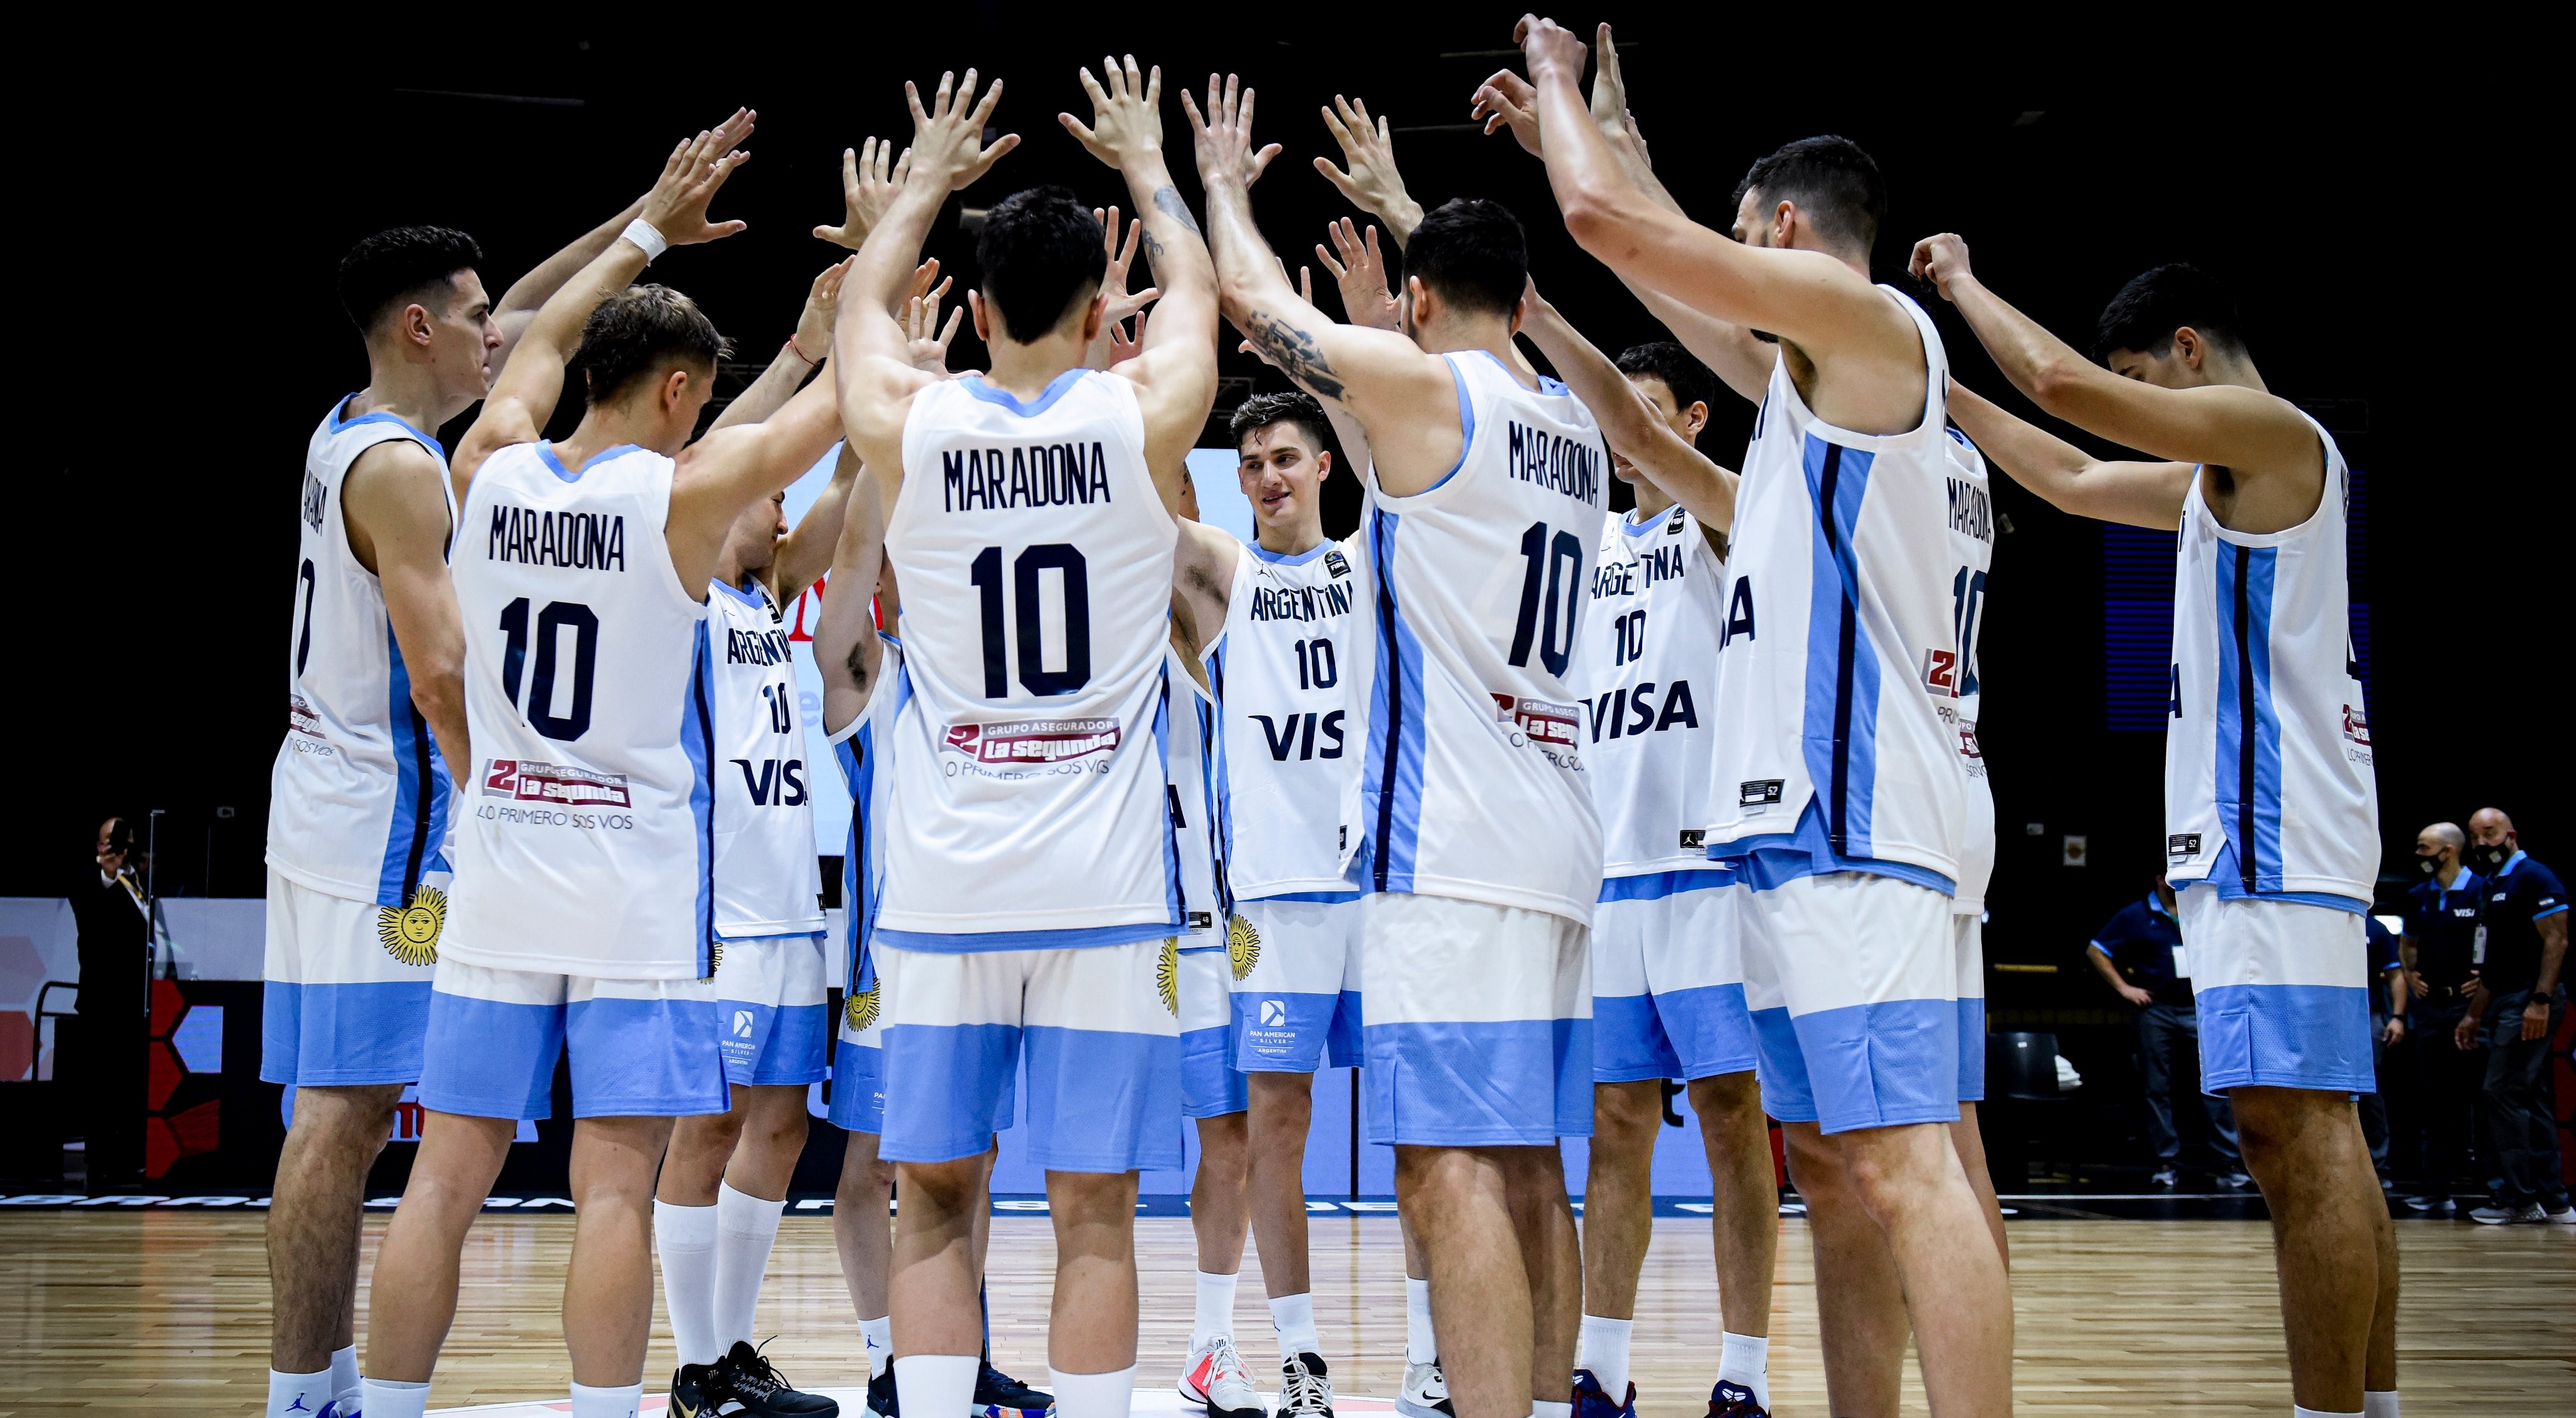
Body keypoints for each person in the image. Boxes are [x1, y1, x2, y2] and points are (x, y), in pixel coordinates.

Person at [1512, 18, 2012, 1414]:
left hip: (1860, 815)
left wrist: (1558, 92)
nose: (1726, 275)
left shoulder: (1869, 331)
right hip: (1817, 819)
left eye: (1741, 242)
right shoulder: (1817, 388)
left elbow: (1610, 230)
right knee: (1851, 1174)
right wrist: (1640, 160)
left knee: (1913, 1166)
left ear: (1786, 231)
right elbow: (1690, 309)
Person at [263, 111, 756, 1418]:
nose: (498, 324)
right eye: (470, 311)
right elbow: (436, 679)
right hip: (411, 815)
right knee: (363, 1123)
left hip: (329, 796)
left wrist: (648, 223)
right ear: (422, 328)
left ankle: (334, 1384)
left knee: (394, 1144)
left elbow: (538, 322)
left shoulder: (400, 440)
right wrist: (510, 791)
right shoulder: (420, 477)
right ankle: (307, 1390)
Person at [360, 125, 849, 1418]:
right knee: (617, 1179)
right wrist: (877, 280)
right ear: (684, 394)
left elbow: (528, 353)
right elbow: (849, 412)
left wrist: (644, 228)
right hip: (631, 887)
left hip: (506, 857)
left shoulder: (490, 458)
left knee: (445, 1176)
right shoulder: (681, 502)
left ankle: (389, 1409)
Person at [1912, 235, 2395, 1412]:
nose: (2138, 409)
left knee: (2295, 1137)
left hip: (2272, 826)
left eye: (2145, 381)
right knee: (2308, 1132)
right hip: (2266, 834)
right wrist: (1931, 388)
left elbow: (2067, 393)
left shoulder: (2273, 437)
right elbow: (2067, 476)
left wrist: (1960, 286)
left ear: (2185, 352)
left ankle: (2328, 1409)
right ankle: (2365, 1404)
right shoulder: (2213, 484)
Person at [1193, 61, 1608, 1418]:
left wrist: (1211, 181)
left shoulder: (1444, 400)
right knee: (1532, 1163)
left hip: (1455, 843)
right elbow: (1426, 474)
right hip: (1556, 836)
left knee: (1445, 1169)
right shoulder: (1568, 428)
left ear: (1420, 306)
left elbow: (1259, 308)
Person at [830, 59, 1219, 1418]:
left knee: (933, 1194)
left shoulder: (909, 421)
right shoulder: (1139, 412)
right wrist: (1155, 171)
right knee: (1096, 1208)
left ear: (979, 308)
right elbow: (1205, 305)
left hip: (944, 886)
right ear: (1103, 307)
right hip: (1102, 894)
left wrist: (924, 183)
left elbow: (863, 315)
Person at [651, 260, 862, 1418]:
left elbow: (834, 503)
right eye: (761, 488)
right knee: (713, 1120)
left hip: (795, 906)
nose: (779, 507)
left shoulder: (768, 601)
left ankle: (729, 1349)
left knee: (779, 1122)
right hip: (718, 909)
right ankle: (692, 1365)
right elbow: (727, 457)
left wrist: (872, 379)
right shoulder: (678, 587)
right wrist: (804, 351)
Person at [1165, 389, 1364, 1418]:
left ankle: (1428, 1355)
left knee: (1423, 1135)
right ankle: (1300, 1356)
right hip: (1275, 898)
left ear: (1324, 465)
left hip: (1380, 886)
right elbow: (1144, 515)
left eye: (1284, 456)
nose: (1265, 476)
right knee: (1272, 1124)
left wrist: (1332, 367)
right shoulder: (1228, 580)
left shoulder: (1371, 563)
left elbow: (1401, 449)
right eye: (1247, 463)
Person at [2085, 879, 2246, 1187]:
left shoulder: (2202, 909)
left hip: (2200, 1009)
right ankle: (2166, 1161)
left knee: (2214, 1085)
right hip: (2157, 1010)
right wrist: (2125, 989)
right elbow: (2096, 950)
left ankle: (2229, 1162)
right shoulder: (2136, 914)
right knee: (2157, 1087)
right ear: (2161, 879)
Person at [2455, 808, 2571, 1224]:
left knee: (2500, 1092)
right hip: (2504, 999)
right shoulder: (2492, 886)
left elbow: (2557, 939)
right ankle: (2553, 1200)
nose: (2482, 843)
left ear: (2511, 835)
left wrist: (2539, 1000)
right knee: (2529, 1095)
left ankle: (2519, 1200)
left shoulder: (2535, 877)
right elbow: (2491, 961)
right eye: (2474, 837)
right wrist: (2473, 1015)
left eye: (2490, 834)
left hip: (2529, 999)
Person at [2396, 822, 2482, 1212]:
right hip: (2432, 1010)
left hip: (2473, 1010)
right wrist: (2411, 974)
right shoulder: (2418, 896)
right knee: (2435, 1100)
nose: (2419, 855)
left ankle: (2497, 1186)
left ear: (2448, 851)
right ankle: (2436, 1189)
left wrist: (2486, 979)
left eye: (2424, 847)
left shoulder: (2482, 890)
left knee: (2483, 1096)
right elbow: (2408, 942)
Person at [69, 817, 151, 1191]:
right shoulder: (91, 882)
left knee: (130, 1084)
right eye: (108, 841)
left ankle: (129, 1160)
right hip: (101, 1003)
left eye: (123, 841)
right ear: (98, 845)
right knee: (99, 1087)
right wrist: (107, 873)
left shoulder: (139, 881)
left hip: (135, 1002)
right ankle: (97, 1162)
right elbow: (88, 909)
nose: (116, 848)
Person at [2360, 915, 2406, 1189]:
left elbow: (2396, 974)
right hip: (2324, 1020)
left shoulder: (2375, 928)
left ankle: (2378, 1165)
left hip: (2368, 1017)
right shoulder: (2320, 920)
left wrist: (2398, 1016)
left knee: (2371, 1093)